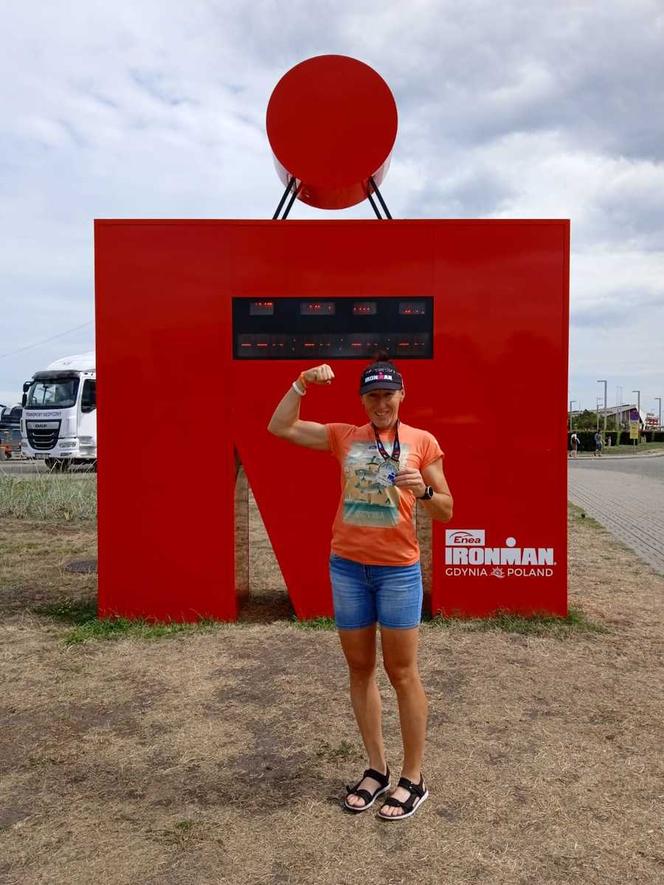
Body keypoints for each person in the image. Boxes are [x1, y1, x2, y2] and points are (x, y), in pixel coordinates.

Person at [268, 356, 453, 821]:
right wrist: (301, 382)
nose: (381, 403)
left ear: (401, 395)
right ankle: (376, 769)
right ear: (362, 401)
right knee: (360, 669)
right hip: (348, 569)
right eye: (372, 395)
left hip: (397, 571)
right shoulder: (342, 436)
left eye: (388, 394)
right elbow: (280, 427)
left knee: (403, 673)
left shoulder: (422, 442)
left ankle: (414, 778)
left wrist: (425, 493)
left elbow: (447, 510)